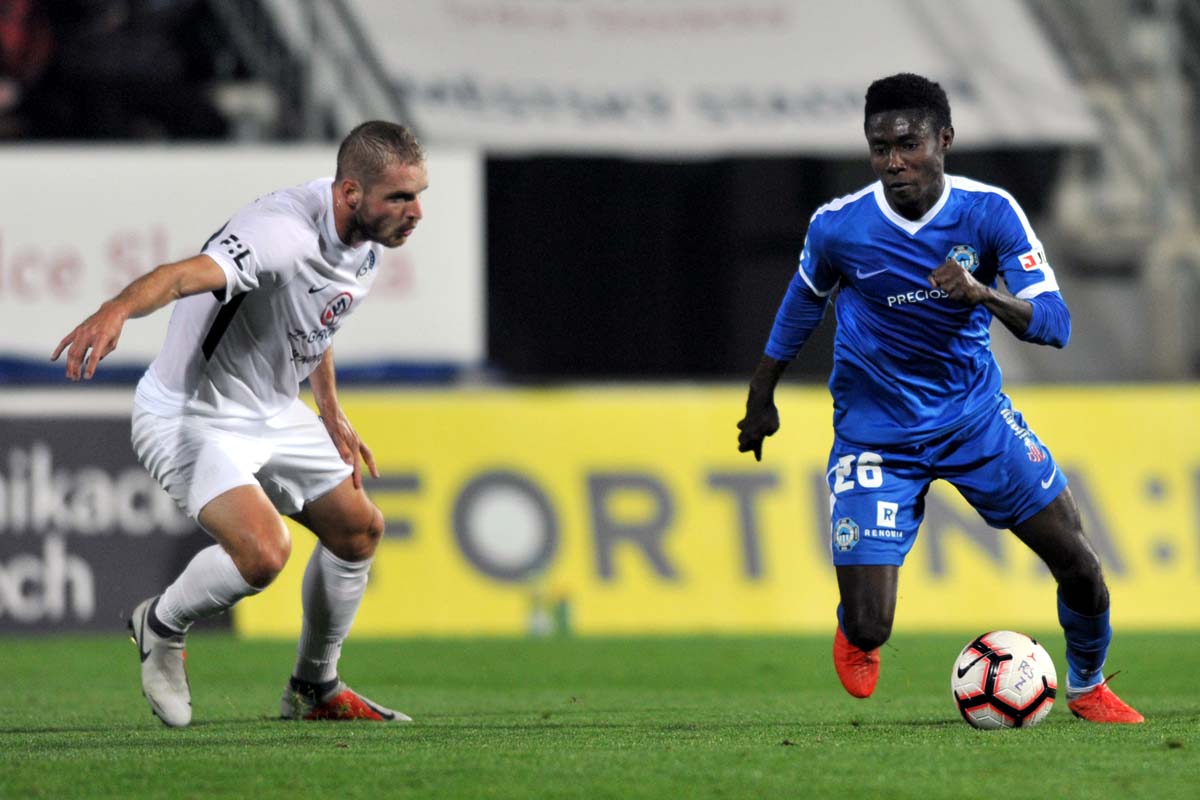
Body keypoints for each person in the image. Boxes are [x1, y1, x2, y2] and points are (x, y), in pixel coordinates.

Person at [736, 73, 1142, 723]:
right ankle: (855, 626)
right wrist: (761, 397)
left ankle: (1087, 685)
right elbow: (800, 308)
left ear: (944, 140)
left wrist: (983, 293)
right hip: (877, 433)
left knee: (1080, 564)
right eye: (880, 148)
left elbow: (1055, 324)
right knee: (870, 626)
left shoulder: (989, 213)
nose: (894, 162)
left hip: (975, 421)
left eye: (909, 144)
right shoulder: (839, 227)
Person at [51, 120, 427, 727]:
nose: (415, 213)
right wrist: (116, 309)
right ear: (351, 192)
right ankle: (160, 623)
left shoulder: (365, 237)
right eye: (401, 198)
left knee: (359, 531)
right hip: (190, 414)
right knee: (263, 553)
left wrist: (330, 408)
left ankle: (314, 688)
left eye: (418, 195)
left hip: (271, 410)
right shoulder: (280, 236)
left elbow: (313, 319)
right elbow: (180, 276)